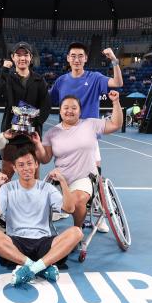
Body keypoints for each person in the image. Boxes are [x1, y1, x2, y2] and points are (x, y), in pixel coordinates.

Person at [0, 146, 82, 287]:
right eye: (21, 165)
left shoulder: (47, 188)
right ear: (15, 168)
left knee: (76, 232)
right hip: (17, 243)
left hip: (43, 242)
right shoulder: (7, 188)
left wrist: (63, 182)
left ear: (36, 165)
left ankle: (30, 269)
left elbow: (70, 208)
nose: (26, 168)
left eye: (30, 163)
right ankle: (40, 267)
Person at [33, 90, 123, 231]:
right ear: (60, 111)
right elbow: (45, 159)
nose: (70, 111)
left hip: (84, 177)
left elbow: (116, 124)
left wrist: (115, 102)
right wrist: (38, 144)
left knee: (77, 200)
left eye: (74, 108)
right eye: (66, 108)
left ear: (80, 111)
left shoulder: (90, 124)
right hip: (60, 179)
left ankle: (77, 230)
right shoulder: (52, 133)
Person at [50, 42, 123, 171]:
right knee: (64, 176)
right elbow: (48, 101)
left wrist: (114, 60)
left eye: (80, 56)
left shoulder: (95, 78)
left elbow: (118, 82)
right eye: (73, 56)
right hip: (66, 137)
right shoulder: (60, 81)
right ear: (68, 58)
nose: (76, 60)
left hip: (89, 137)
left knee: (93, 177)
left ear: (86, 58)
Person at [0, 41, 51, 180]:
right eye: (18, 55)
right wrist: (4, 71)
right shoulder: (7, 78)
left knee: (33, 178)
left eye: (25, 55)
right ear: (13, 58)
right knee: (6, 177)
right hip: (11, 137)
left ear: (30, 58)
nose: (22, 58)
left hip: (32, 138)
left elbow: (46, 106)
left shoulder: (39, 80)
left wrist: (33, 121)